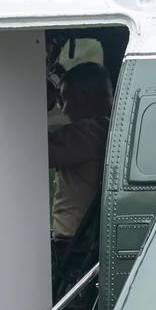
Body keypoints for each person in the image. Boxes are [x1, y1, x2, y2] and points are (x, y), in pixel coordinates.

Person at [49, 61, 113, 243]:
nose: (65, 110)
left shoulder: (83, 134)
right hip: (89, 240)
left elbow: (30, 153)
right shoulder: (110, 129)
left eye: (65, 100)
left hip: (73, 247)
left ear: (83, 98)